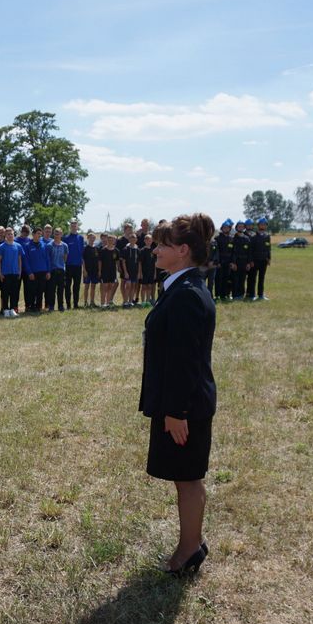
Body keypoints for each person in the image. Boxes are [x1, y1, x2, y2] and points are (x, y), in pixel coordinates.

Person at [139, 213, 217, 577]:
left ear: (183, 250)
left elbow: (185, 361)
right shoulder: (181, 287)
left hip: (185, 408)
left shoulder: (186, 295)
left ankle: (189, 550)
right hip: (182, 404)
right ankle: (191, 543)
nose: (155, 250)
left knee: (188, 478)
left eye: (163, 245)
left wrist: (176, 411)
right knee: (184, 476)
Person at [0, 227, 24, 318]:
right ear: (5, 235)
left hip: (15, 273)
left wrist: (20, 271)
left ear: (13, 234)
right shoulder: (1, 247)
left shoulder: (18, 246)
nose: (10, 236)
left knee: (14, 292)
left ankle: (12, 309)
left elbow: (19, 259)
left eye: (11, 234)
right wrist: (0, 273)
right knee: (5, 292)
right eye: (8, 234)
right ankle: (5, 310)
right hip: (5, 273)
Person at [24, 228, 50, 312]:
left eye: (40, 234)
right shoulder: (28, 246)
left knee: (40, 290)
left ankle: (39, 306)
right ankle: (31, 306)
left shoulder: (44, 245)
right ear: (33, 234)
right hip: (33, 273)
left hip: (43, 271)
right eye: (38, 233)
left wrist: (48, 271)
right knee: (32, 290)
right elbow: (26, 260)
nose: (40, 235)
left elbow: (47, 259)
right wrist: (29, 272)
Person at [247, 217, 272, 301]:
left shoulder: (267, 236)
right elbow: (250, 250)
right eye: (261, 224)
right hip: (255, 260)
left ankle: (260, 295)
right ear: (258, 226)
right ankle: (252, 295)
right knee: (253, 278)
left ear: (266, 226)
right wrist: (251, 261)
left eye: (264, 225)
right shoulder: (253, 236)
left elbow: (268, 248)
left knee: (262, 278)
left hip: (264, 260)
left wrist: (269, 258)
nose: (263, 226)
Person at [62, 220, 84, 309]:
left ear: (77, 227)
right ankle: (68, 305)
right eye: (72, 226)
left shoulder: (81, 238)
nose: (74, 227)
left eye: (75, 226)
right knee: (67, 286)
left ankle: (75, 304)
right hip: (68, 265)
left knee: (76, 286)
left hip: (78, 266)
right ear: (70, 227)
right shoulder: (66, 238)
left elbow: (82, 252)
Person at [47, 228, 68, 311]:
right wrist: (48, 271)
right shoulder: (49, 245)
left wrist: (61, 265)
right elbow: (48, 259)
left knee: (61, 289)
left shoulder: (65, 246)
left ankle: (60, 306)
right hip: (52, 270)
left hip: (61, 270)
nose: (57, 235)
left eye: (58, 234)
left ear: (61, 234)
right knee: (51, 289)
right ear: (53, 234)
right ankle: (51, 306)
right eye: (55, 233)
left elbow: (65, 258)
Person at [231, 221, 251, 300]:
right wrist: (233, 263)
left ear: (244, 228)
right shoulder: (233, 238)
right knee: (235, 279)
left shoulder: (247, 238)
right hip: (236, 262)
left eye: (242, 226)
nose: (241, 228)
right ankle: (235, 295)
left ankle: (241, 294)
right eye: (239, 226)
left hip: (244, 262)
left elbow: (249, 252)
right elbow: (232, 252)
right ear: (236, 227)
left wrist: (248, 263)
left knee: (242, 279)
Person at [214, 220, 234, 301]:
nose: (226, 229)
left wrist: (232, 262)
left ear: (229, 228)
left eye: (227, 228)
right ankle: (217, 295)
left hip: (228, 262)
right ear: (222, 228)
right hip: (220, 262)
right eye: (224, 228)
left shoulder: (231, 239)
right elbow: (216, 251)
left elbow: (233, 252)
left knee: (226, 278)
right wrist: (218, 262)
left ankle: (224, 295)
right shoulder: (217, 238)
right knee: (218, 278)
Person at [99, 234, 119, 309]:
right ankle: (102, 304)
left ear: (114, 241)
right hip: (104, 271)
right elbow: (100, 261)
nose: (110, 241)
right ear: (107, 240)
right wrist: (99, 271)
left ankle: (107, 303)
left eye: (112, 240)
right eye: (109, 240)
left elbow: (117, 261)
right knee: (104, 287)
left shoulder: (116, 250)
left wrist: (118, 269)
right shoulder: (103, 250)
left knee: (110, 287)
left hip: (112, 272)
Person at [119, 234, 139, 308]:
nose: (133, 240)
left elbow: (139, 262)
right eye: (131, 238)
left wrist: (139, 272)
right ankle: (125, 302)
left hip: (135, 271)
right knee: (128, 286)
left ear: (136, 240)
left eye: (134, 238)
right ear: (129, 239)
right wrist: (125, 272)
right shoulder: (125, 249)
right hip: (127, 271)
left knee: (133, 286)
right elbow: (123, 261)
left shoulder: (137, 249)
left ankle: (130, 301)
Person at [139, 233, 157, 306]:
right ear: (144, 241)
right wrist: (140, 273)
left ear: (152, 241)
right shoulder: (142, 250)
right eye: (147, 240)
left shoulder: (153, 251)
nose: (148, 241)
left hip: (151, 271)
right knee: (144, 287)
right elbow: (140, 263)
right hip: (144, 271)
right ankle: (143, 302)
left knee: (150, 286)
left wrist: (155, 273)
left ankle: (147, 301)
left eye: (150, 240)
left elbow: (155, 263)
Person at [82, 231, 99, 307]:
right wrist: (84, 270)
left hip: (94, 271)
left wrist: (98, 270)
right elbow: (83, 260)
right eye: (91, 237)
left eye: (93, 238)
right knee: (86, 287)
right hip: (87, 271)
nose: (92, 239)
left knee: (93, 287)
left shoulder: (96, 248)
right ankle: (85, 302)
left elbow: (98, 260)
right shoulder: (85, 248)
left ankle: (92, 302)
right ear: (88, 238)